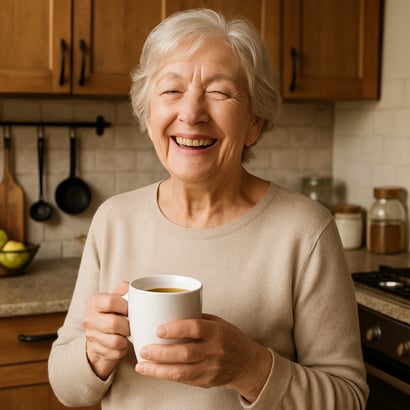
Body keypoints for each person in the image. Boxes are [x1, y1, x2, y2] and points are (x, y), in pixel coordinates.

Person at [48, 8, 368, 410]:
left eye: (219, 92)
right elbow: (65, 387)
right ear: (148, 114)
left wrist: (249, 367)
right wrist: (95, 355)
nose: (192, 113)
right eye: (171, 91)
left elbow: (348, 398)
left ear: (254, 121)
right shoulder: (114, 220)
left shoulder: (305, 231)